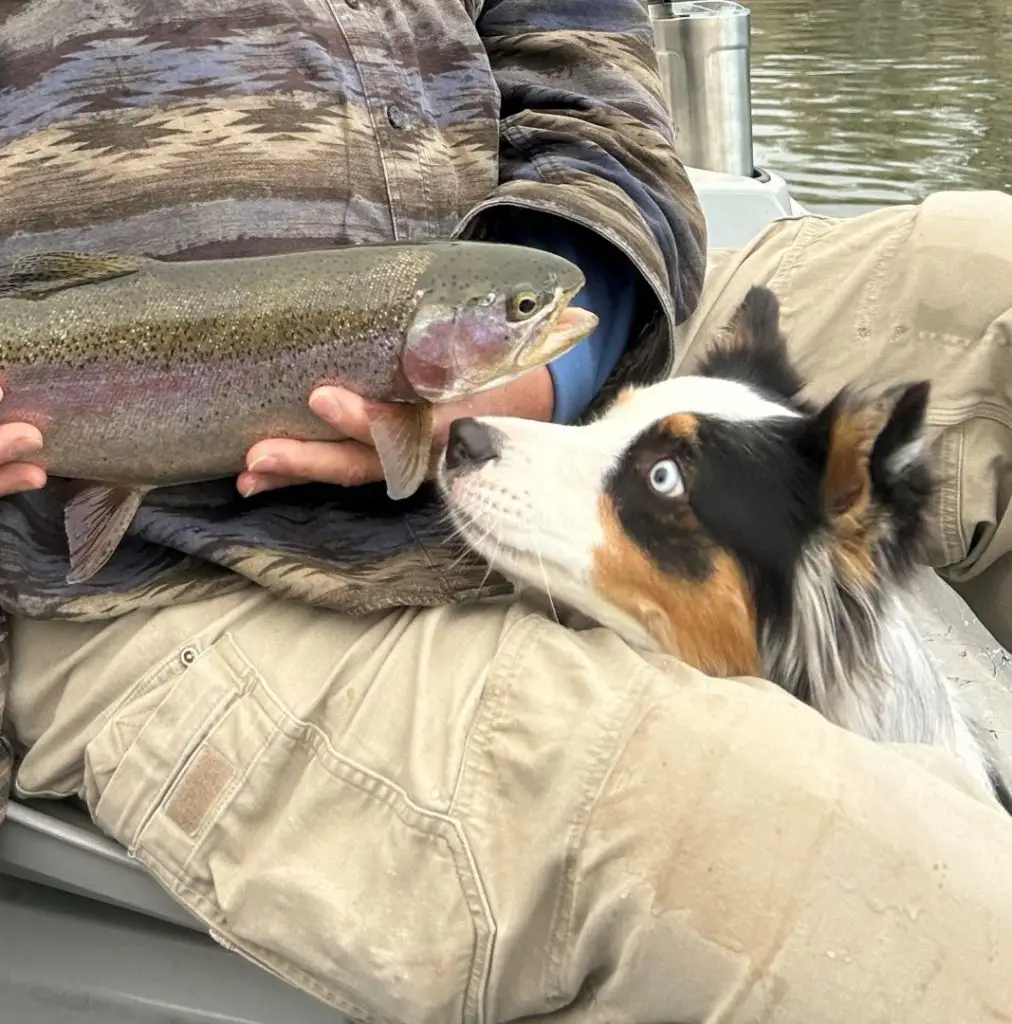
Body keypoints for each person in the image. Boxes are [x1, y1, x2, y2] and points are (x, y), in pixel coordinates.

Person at [0, 1, 1010, 1022]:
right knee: (880, 892)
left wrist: (557, 367)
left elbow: (594, 102)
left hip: (595, 346)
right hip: (162, 575)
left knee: (991, 266)